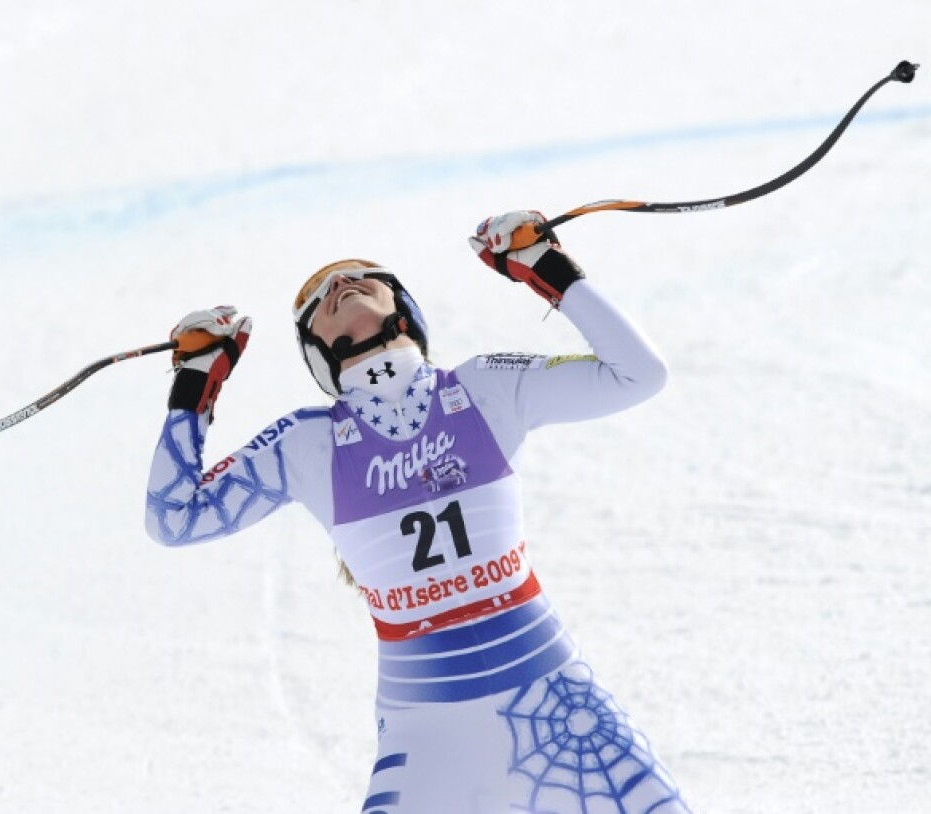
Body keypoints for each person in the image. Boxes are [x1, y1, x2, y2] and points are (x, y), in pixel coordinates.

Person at [144, 210, 690, 813]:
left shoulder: (483, 388)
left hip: (556, 702)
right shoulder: (308, 444)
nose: (341, 285)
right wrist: (195, 382)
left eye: (363, 278)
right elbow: (174, 519)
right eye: (321, 296)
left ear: (404, 308)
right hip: (427, 734)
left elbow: (641, 374)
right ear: (318, 349)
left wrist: (545, 267)